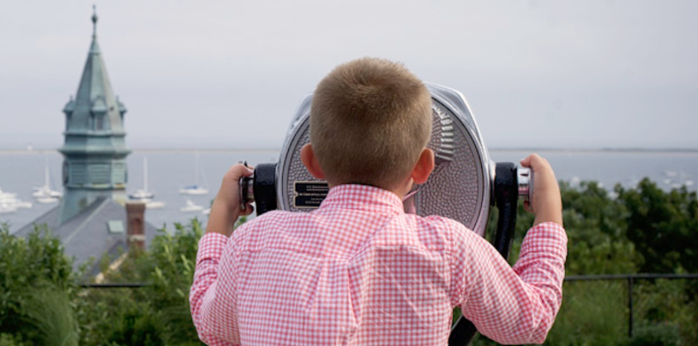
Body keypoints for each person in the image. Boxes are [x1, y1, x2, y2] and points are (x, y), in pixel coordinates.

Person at [189, 57, 567, 345]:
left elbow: (212, 326)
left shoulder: (255, 241)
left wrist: (222, 216)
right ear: (423, 167)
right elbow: (529, 324)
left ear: (310, 163)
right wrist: (548, 214)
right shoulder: (449, 247)